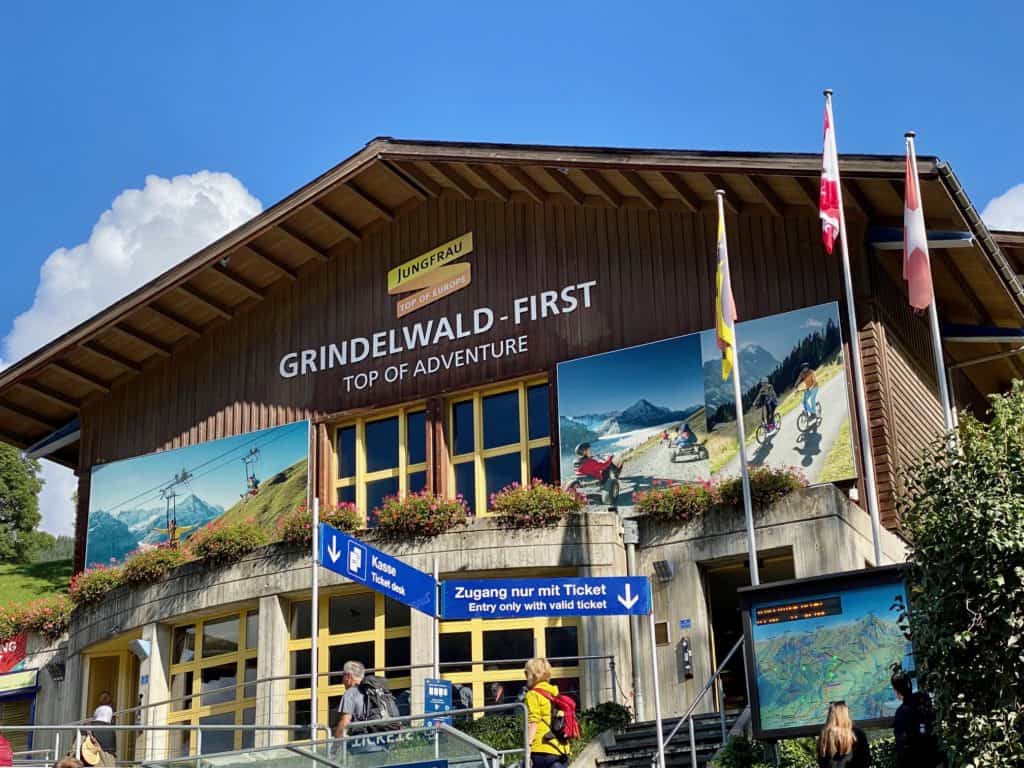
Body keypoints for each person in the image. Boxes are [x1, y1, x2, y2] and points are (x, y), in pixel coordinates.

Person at [524, 658, 571, 768]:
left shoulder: (533, 694)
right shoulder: (554, 693)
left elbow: (533, 722)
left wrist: (527, 748)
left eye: (527, 673)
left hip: (541, 749)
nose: (525, 676)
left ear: (533, 675)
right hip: (560, 749)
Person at [333, 660, 388, 752]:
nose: (342, 680)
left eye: (343, 676)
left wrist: (334, 748)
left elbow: (344, 722)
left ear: (349, 676)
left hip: (362, 746)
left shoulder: (350, 693)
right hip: (383, 744)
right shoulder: (376, 691)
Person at [891, 671, 943, 768]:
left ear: (896, 691)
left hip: (916, 761)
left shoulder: (901, 713)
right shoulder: (925, 700)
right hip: (934, 758)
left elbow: (902, 745)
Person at [817, 701, 871, 768]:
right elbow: (866, 760)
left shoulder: (824, 736)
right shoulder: (858, 734)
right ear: (846, 714)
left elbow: (821, 761)